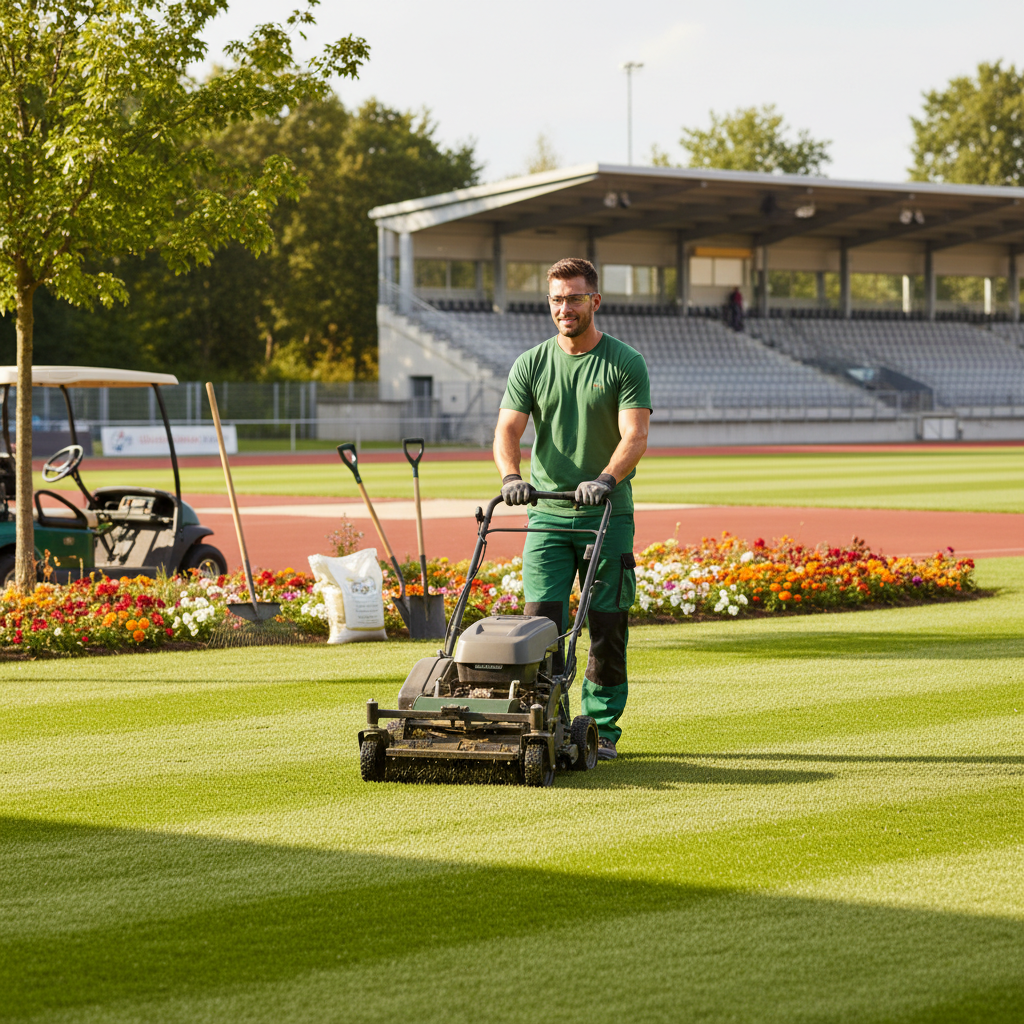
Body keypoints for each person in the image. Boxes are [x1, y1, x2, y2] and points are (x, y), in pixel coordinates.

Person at [492, 257, 651, 760]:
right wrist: (512, 478)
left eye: (574, 298)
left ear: (594, 301)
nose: (564, 308)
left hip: (607, 515)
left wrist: (605, 479)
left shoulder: (624, 362)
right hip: (547, 515)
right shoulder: (531, 363)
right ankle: (546, 719)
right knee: (539, 624)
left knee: (607, 626)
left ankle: (601, 729)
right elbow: (507, 431)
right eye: (556, 299)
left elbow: (635, 435)